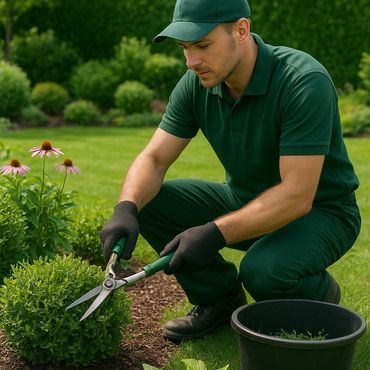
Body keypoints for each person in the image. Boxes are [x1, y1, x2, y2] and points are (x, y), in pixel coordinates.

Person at [100, 0, 361, 342]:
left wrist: (214, 232)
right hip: (244, 200)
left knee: (262, 271)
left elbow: (298, 194)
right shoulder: (196, 84)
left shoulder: (302, 81)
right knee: (150, 200)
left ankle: (319, 292)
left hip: (321, 212)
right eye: (185, 48)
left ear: (241, 30)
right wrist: (126, 208)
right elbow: (154, 159)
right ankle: (219, 298)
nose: (192, 61)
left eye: (203, 45)